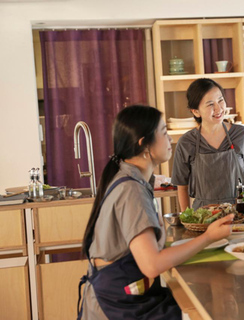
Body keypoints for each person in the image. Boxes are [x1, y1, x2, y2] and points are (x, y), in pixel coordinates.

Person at [77, 105, 233, 319]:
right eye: (164, 133)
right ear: (144, 145)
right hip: (117, 304)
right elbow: (152, 265)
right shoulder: (131, 190)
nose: (170, 140)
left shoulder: (132, 181)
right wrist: (208, 237)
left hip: (124, 294)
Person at [171, 78, 244, 211]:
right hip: (204, 217)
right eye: (210, 104)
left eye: (220, 100)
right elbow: (182, 186)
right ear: (195, 111)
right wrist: (188, 218)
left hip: (242, 213)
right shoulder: (186, 142)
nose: (218, 108)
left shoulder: (241, 134)